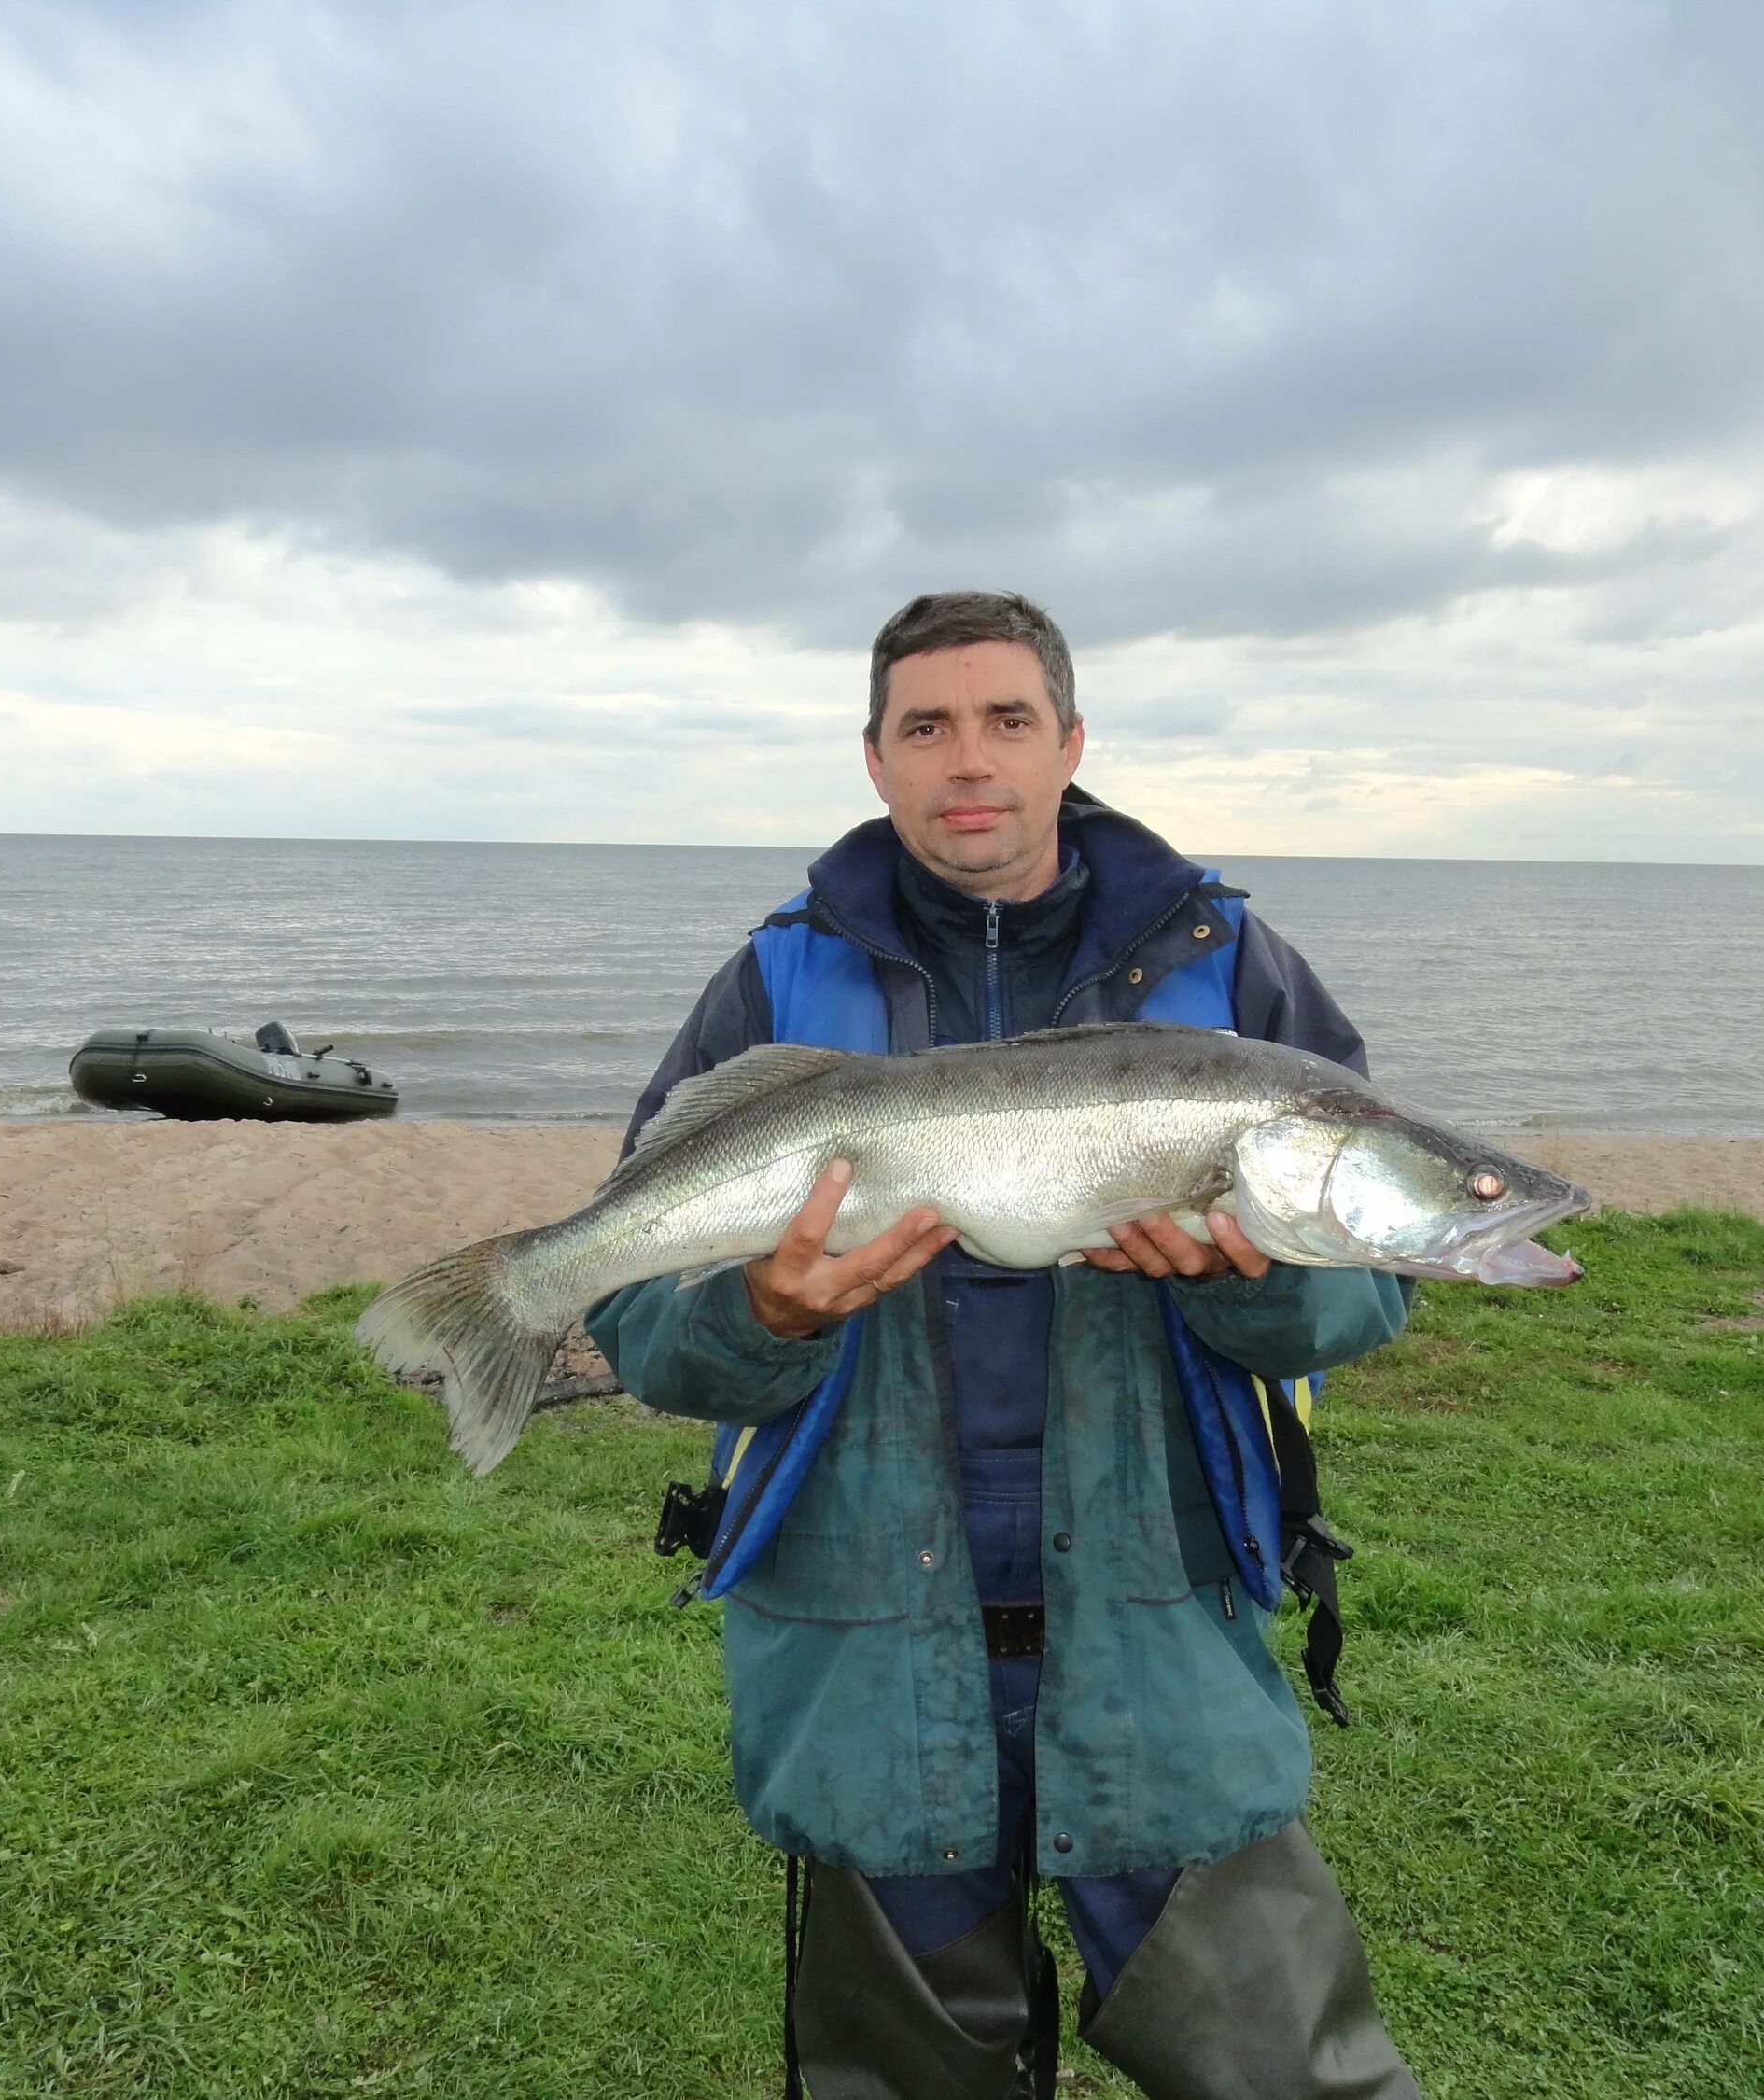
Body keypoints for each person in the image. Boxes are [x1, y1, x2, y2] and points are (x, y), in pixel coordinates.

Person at [587, 591, 1422, 2099]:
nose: (968, 760)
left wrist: (1239, 1284)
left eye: (1006, 720)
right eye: (928, 727)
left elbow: (1364, 1291)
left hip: (1164, 1629)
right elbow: (644, 1326)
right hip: (861, 1644)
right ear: (875, 759)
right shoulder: (772, 988)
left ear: (1072, 741)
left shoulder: (1232, 969)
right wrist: (761, 1313)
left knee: (1288, 2071)